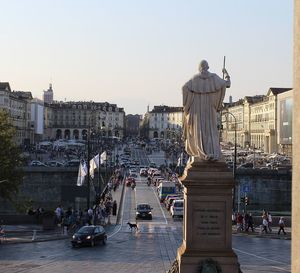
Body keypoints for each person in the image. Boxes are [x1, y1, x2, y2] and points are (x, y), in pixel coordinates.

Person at [182, 60, 230, 161]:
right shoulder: (214, 77)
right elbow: (227, 84)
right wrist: (226, 74)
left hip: (196, 110)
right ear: (207, 67)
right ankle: (211, 151)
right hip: (209, 109)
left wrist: (186, 104)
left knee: (198, 130)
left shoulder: (194, 79)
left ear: (199, 67)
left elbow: (184, 87)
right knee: (210, 130)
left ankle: (200, 151)